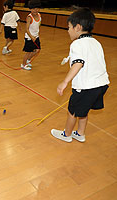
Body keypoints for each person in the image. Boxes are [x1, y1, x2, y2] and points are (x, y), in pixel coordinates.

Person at [51, 8, 110, 143]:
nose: (68, 31)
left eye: (69, 27)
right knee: (83, 110)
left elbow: (78, 63)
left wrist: (64, 82)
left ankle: (66, 134)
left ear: (77, 27)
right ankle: (80, 133)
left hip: (86, 87)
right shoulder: (96, 42)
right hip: (101, 85)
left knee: (73, 111)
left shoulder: (77, 44)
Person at [21, 0, 41, 70]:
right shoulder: (29, 17)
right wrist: (32, 37)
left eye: (37, 8)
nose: (35, 10)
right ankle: (23, 64)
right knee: (28, 52)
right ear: (30, 9)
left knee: (37, 50)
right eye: (33, 8)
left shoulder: (39, 15)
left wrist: (36, 34)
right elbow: (26, 29)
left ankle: (28, 60)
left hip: (36, 36)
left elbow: (37, 25)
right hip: (29, 38)